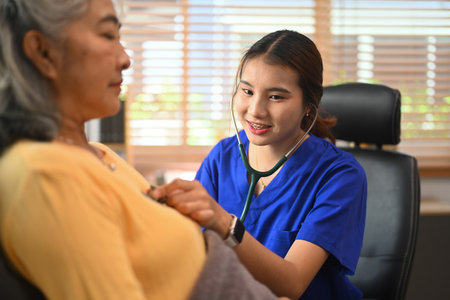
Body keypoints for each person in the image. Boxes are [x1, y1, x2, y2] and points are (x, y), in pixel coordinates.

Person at [0, 0, 277, 299]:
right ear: (43, 52)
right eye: (107, 36)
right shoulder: (47, 176)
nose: (126, 59)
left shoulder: (97, 154)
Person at [152, 30, 367, 299]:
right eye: (247, 91)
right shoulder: (223, 157)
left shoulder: (339, 176)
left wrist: (225, 224)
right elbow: (194, 250)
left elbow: (293, 283)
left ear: (309, 106)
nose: (255, 110)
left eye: (276, 96)